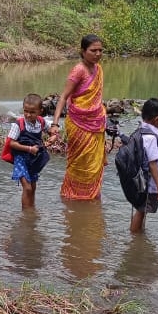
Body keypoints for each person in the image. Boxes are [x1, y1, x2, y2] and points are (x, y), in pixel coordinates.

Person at [50, 34, 107, 200]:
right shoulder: (78, 70)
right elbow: (63, 97)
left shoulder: (99, 69)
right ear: (83, 51)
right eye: (93, 50)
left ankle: (91, 197)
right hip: (78, 123)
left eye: (100, 50)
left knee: (94, 165)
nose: (97, 54)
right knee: (78, 164)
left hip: (96, 123)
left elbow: (96, 97)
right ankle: (72, 197)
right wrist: (54, 125)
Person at [130, 97, 158, 234]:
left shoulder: (142, 130)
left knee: (142, 210)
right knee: (141, 211)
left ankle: (139, 234)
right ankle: (135, 239)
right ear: (156, 119)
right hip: (148, 181)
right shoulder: (151, 138)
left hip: (139, 179)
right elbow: (153, 163)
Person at [5, 93, 51, 208]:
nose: (28, 115)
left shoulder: (41, 122)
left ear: (40, 111)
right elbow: (11, 143)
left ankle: (32, 209)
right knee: (27, 187)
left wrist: (52, 138)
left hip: (33, 160)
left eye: (32, 112)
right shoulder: (18, 124)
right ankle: (26, 216)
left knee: (33, 187)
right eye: (26, 111)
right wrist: (29, 149)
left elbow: (52, 132)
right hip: (21, 159)